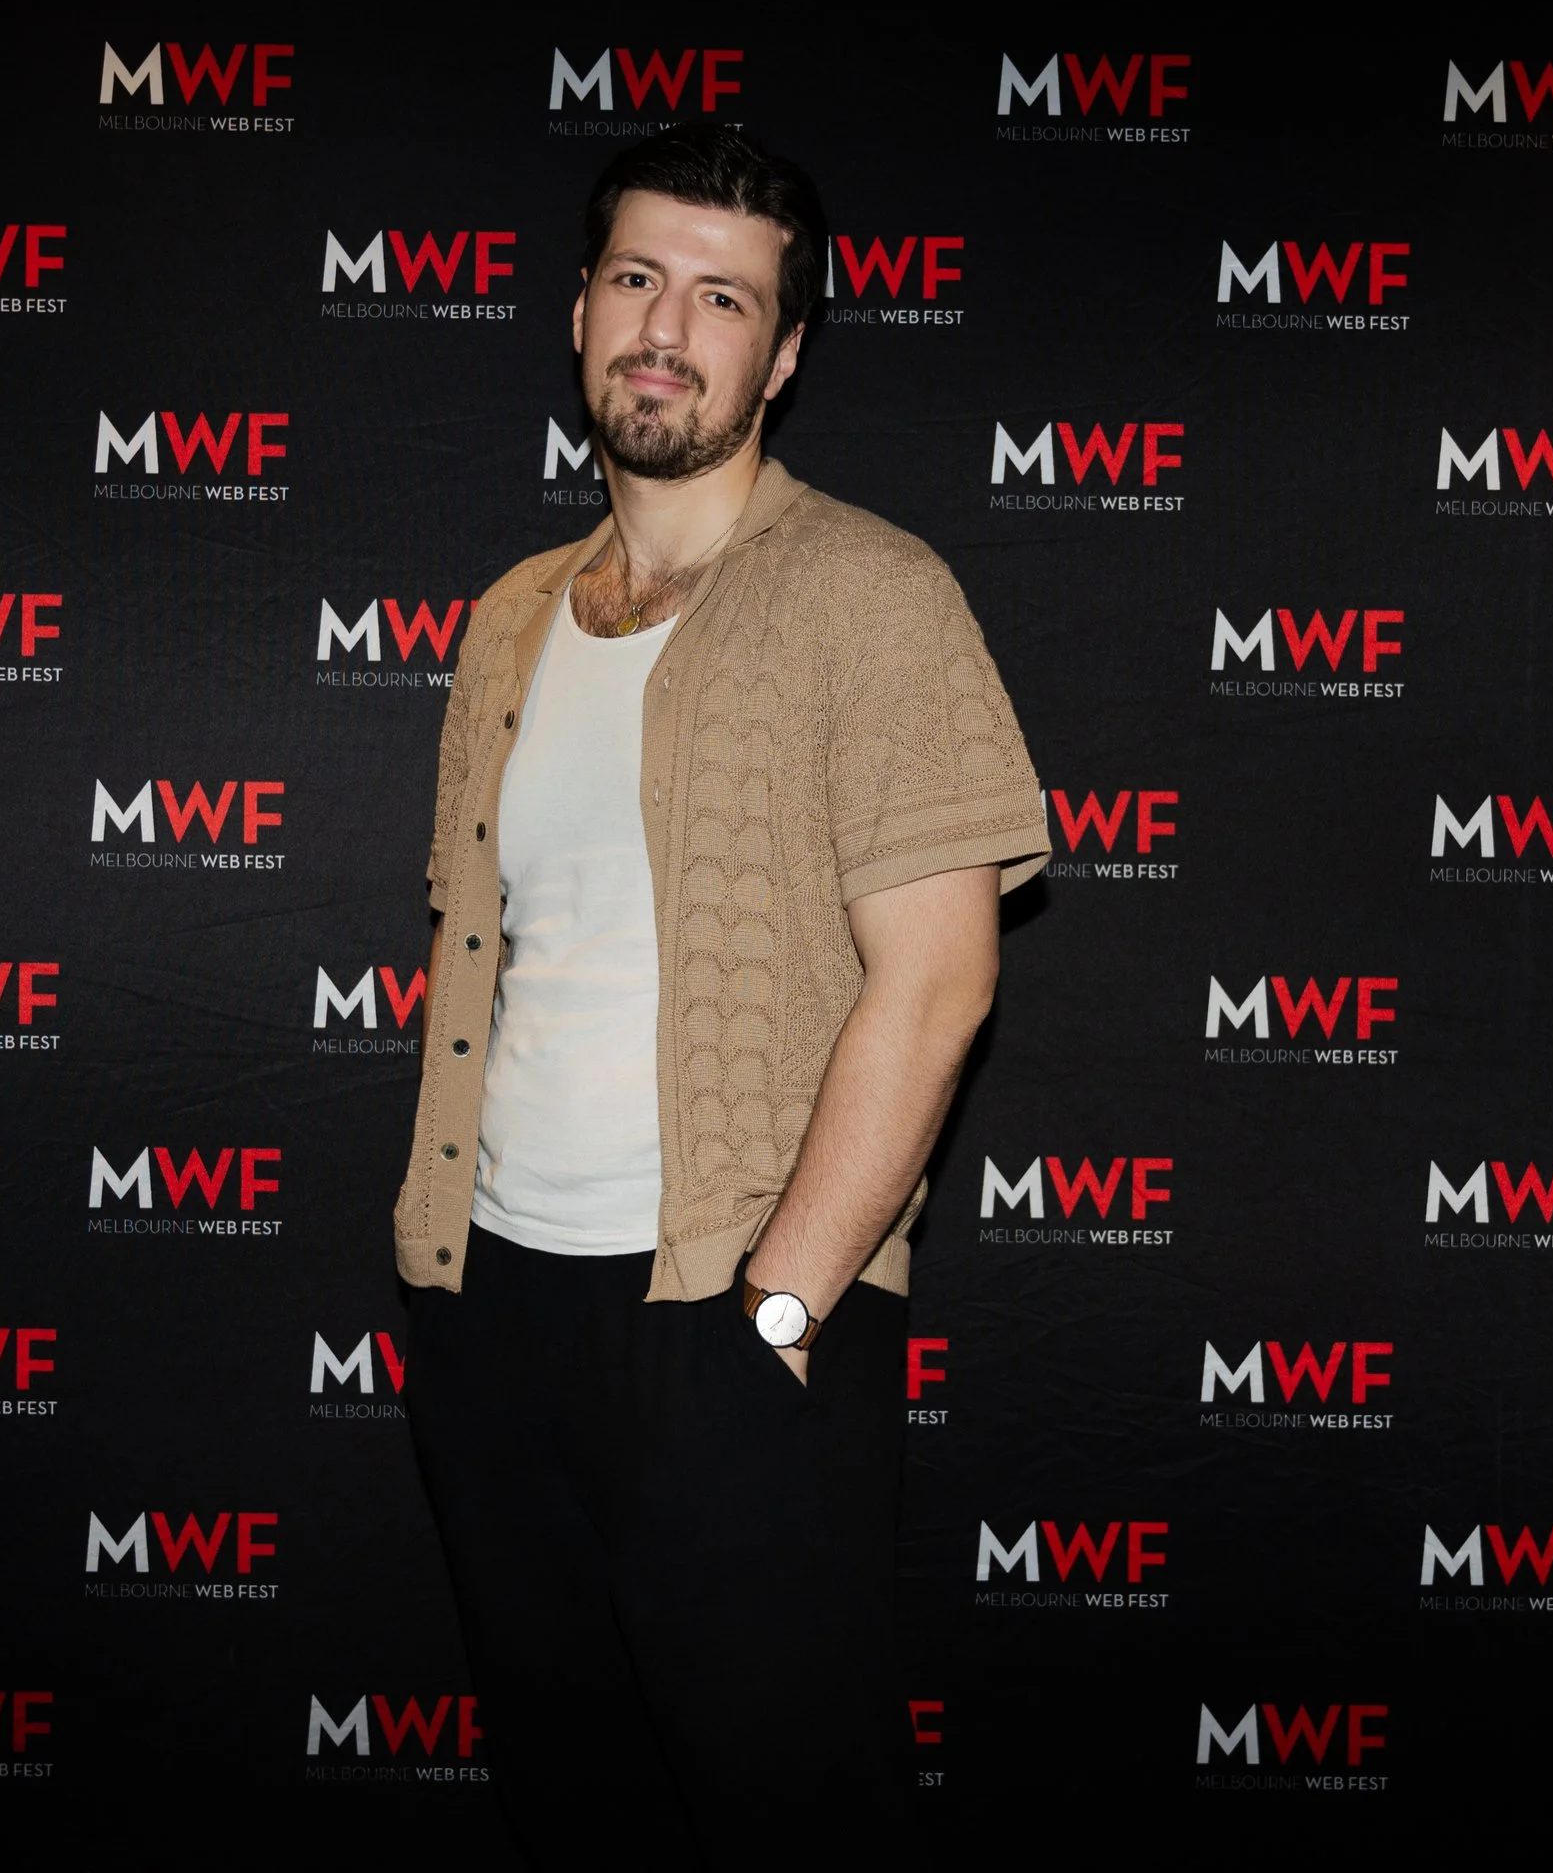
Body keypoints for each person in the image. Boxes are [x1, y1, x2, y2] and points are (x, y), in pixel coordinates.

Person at [393, 123, 1048, 1863]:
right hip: (492, 1303)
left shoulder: (873, 595)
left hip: (741, 1316)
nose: (667, 328)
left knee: (788, 1809)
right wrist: (452, 1299)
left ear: (786, 351)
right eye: (635, 280)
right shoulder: (512, 617)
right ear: (579, 311)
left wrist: (774, 1319)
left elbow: (940, 982)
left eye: (723, 297)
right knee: (573, 1800)